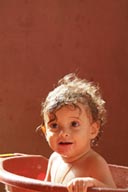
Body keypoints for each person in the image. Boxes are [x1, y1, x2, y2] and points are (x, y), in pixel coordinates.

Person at [39, 73, 116, 192]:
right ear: (45, 132)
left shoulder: (94, 163)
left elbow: (113, 190)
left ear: (93, 130)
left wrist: (92, 183)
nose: (63, 133)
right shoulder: (54, 159)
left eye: (74, 124)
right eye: (54, 126)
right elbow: (44, 189)